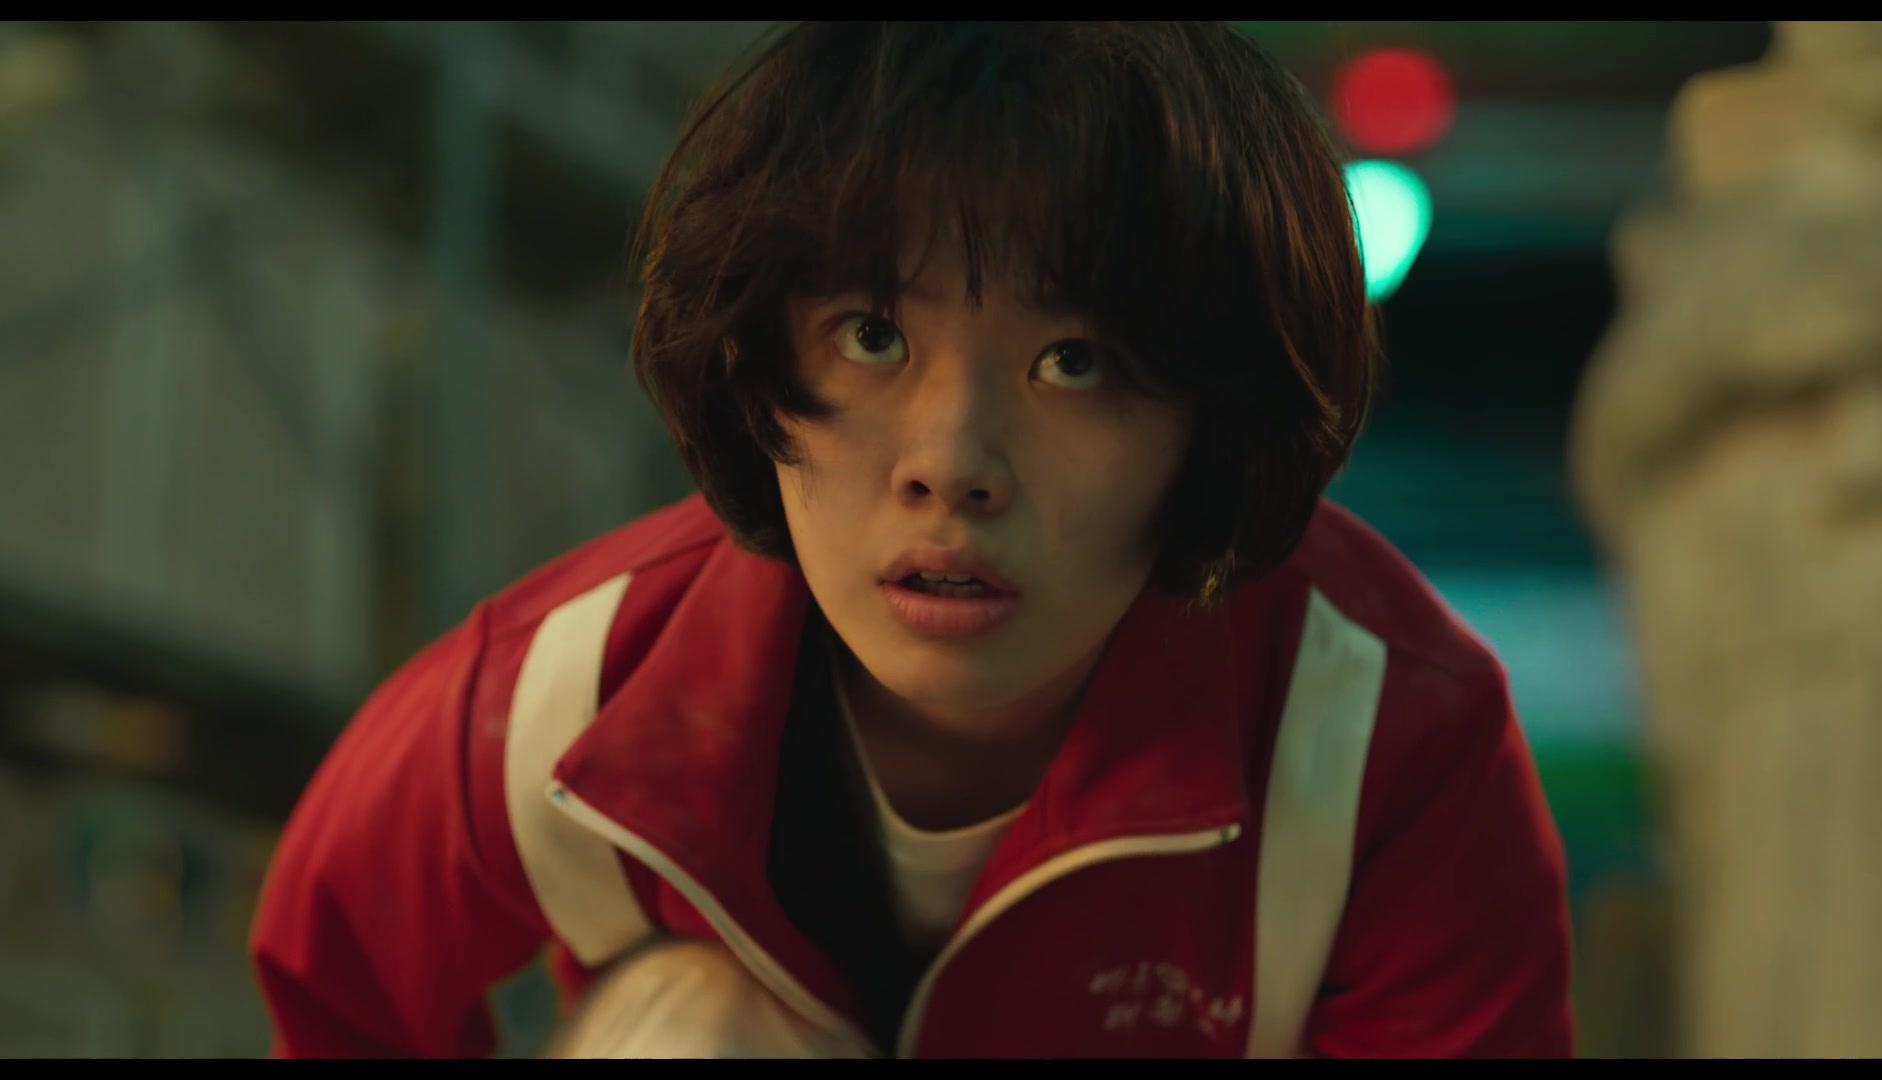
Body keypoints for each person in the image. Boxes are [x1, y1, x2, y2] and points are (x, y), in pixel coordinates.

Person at [248, 21, 1573, 1059]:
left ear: (1208, 429)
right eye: (872, 336)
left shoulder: (1385, 742)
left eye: (1074, 361)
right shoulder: (567, 694)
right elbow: (335, 988)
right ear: (755, 368)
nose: (951, 463)